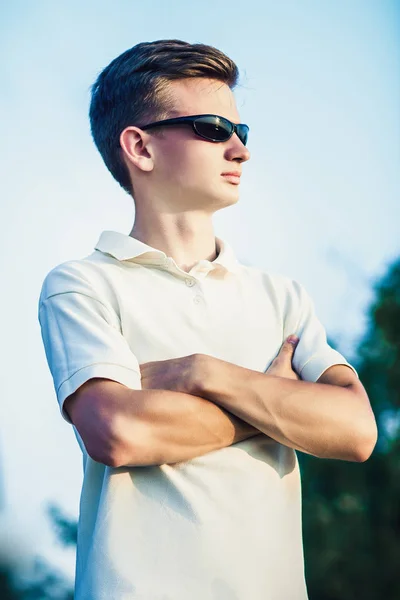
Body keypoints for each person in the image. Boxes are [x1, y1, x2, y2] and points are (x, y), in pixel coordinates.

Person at [37, 39, 377, 600]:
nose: (240, 150)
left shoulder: (282, 296)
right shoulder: (82, 284)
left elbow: (356, 430)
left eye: (244, 133)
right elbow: (118, 432)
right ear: (140, 147)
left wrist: (203, 373)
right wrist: (275, 403)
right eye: (215, 129)